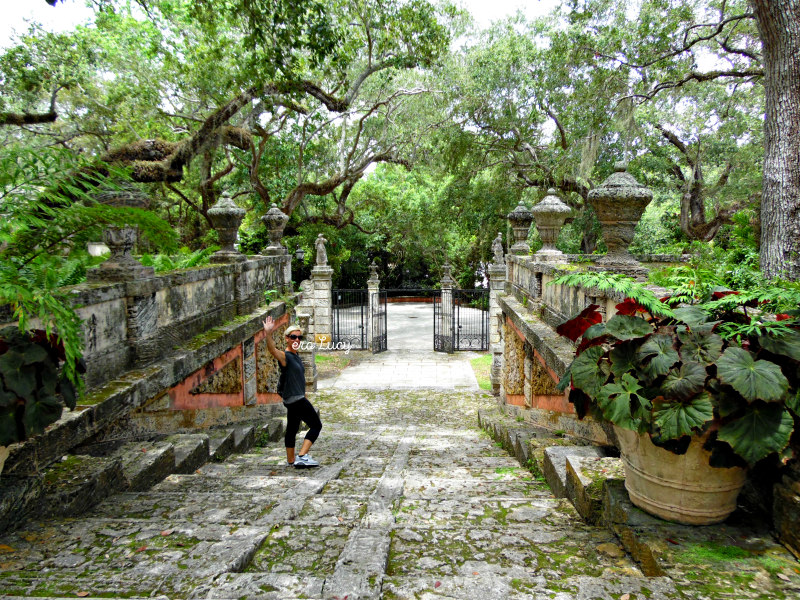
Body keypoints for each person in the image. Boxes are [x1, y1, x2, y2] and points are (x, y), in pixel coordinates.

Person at [262, 316, 322, 468]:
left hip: (295, 398)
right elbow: (271, 349)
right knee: (316, 425)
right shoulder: (285, 356)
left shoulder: (296, 356)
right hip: (295, 399)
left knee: (292, 429)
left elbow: (298, 379)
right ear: (287, 339)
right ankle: (302, 456)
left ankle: (291, 460)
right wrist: (268, 333)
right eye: (293, 336)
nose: (296, 339)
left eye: (299, 337)